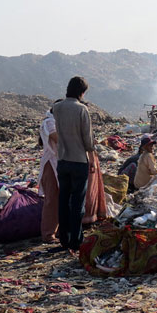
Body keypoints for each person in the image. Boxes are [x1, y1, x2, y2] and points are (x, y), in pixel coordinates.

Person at [53, 76, 94, 250]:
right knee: (78, 202)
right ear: (82, 92)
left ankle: (64, 238)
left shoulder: (57, 107)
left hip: (62, 160)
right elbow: (88, 139)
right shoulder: (81, 110)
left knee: (63, 200)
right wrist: (91, 158)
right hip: (78, 161)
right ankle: (76, 240)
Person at [38, 102, 61, 243]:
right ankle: (48, 234)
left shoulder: (57, 121)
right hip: (51, 163)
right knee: (51, 199)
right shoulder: (49, 122)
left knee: (61, 198)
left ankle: (59, 230)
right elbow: (57, 137)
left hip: (61, 162)